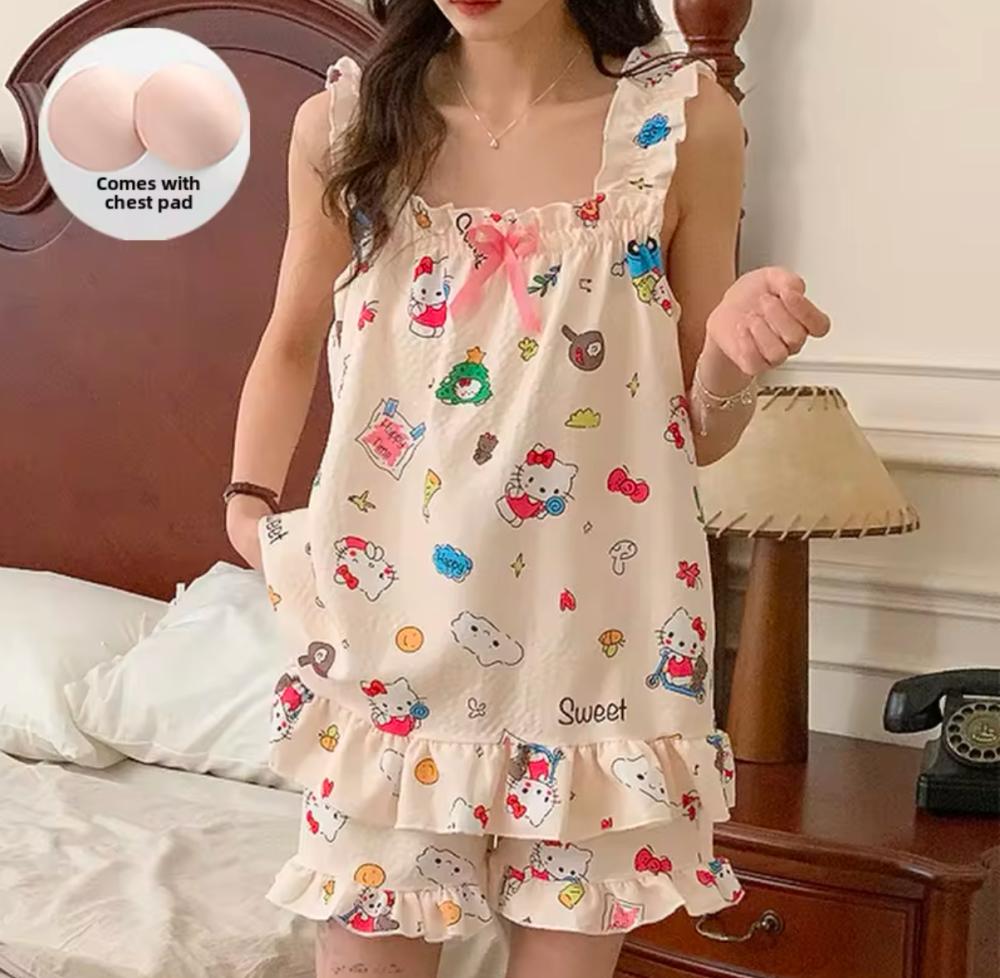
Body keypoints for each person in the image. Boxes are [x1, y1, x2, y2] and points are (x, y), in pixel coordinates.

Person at [225, 2, 831, 976]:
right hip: (390, 651)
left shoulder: (681, 125)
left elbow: (697, 436)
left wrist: (729, 357)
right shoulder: (343, 128)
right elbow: (292, 336)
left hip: (595, 659)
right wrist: (248, 505)